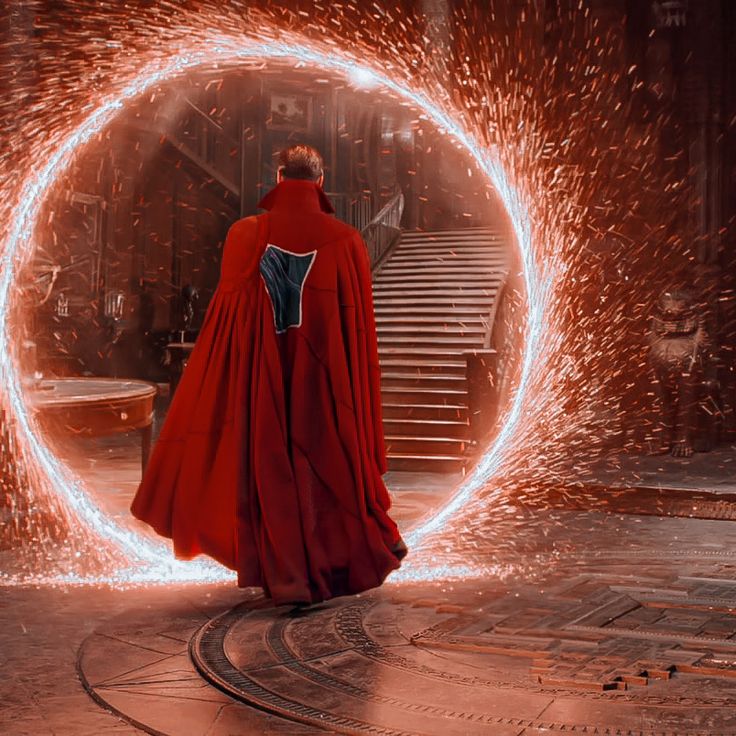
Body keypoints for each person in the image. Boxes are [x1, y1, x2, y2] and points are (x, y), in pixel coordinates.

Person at [130, 144, 407, 605]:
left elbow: (225, 325)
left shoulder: (245, 233)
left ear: (278, 177)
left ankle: (279, 565)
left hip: (263, 380)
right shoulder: (347, 240)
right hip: (322, 386)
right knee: (323, 466)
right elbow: (357, 331)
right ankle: (334, 554)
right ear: (320, 182)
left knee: (266, 470)